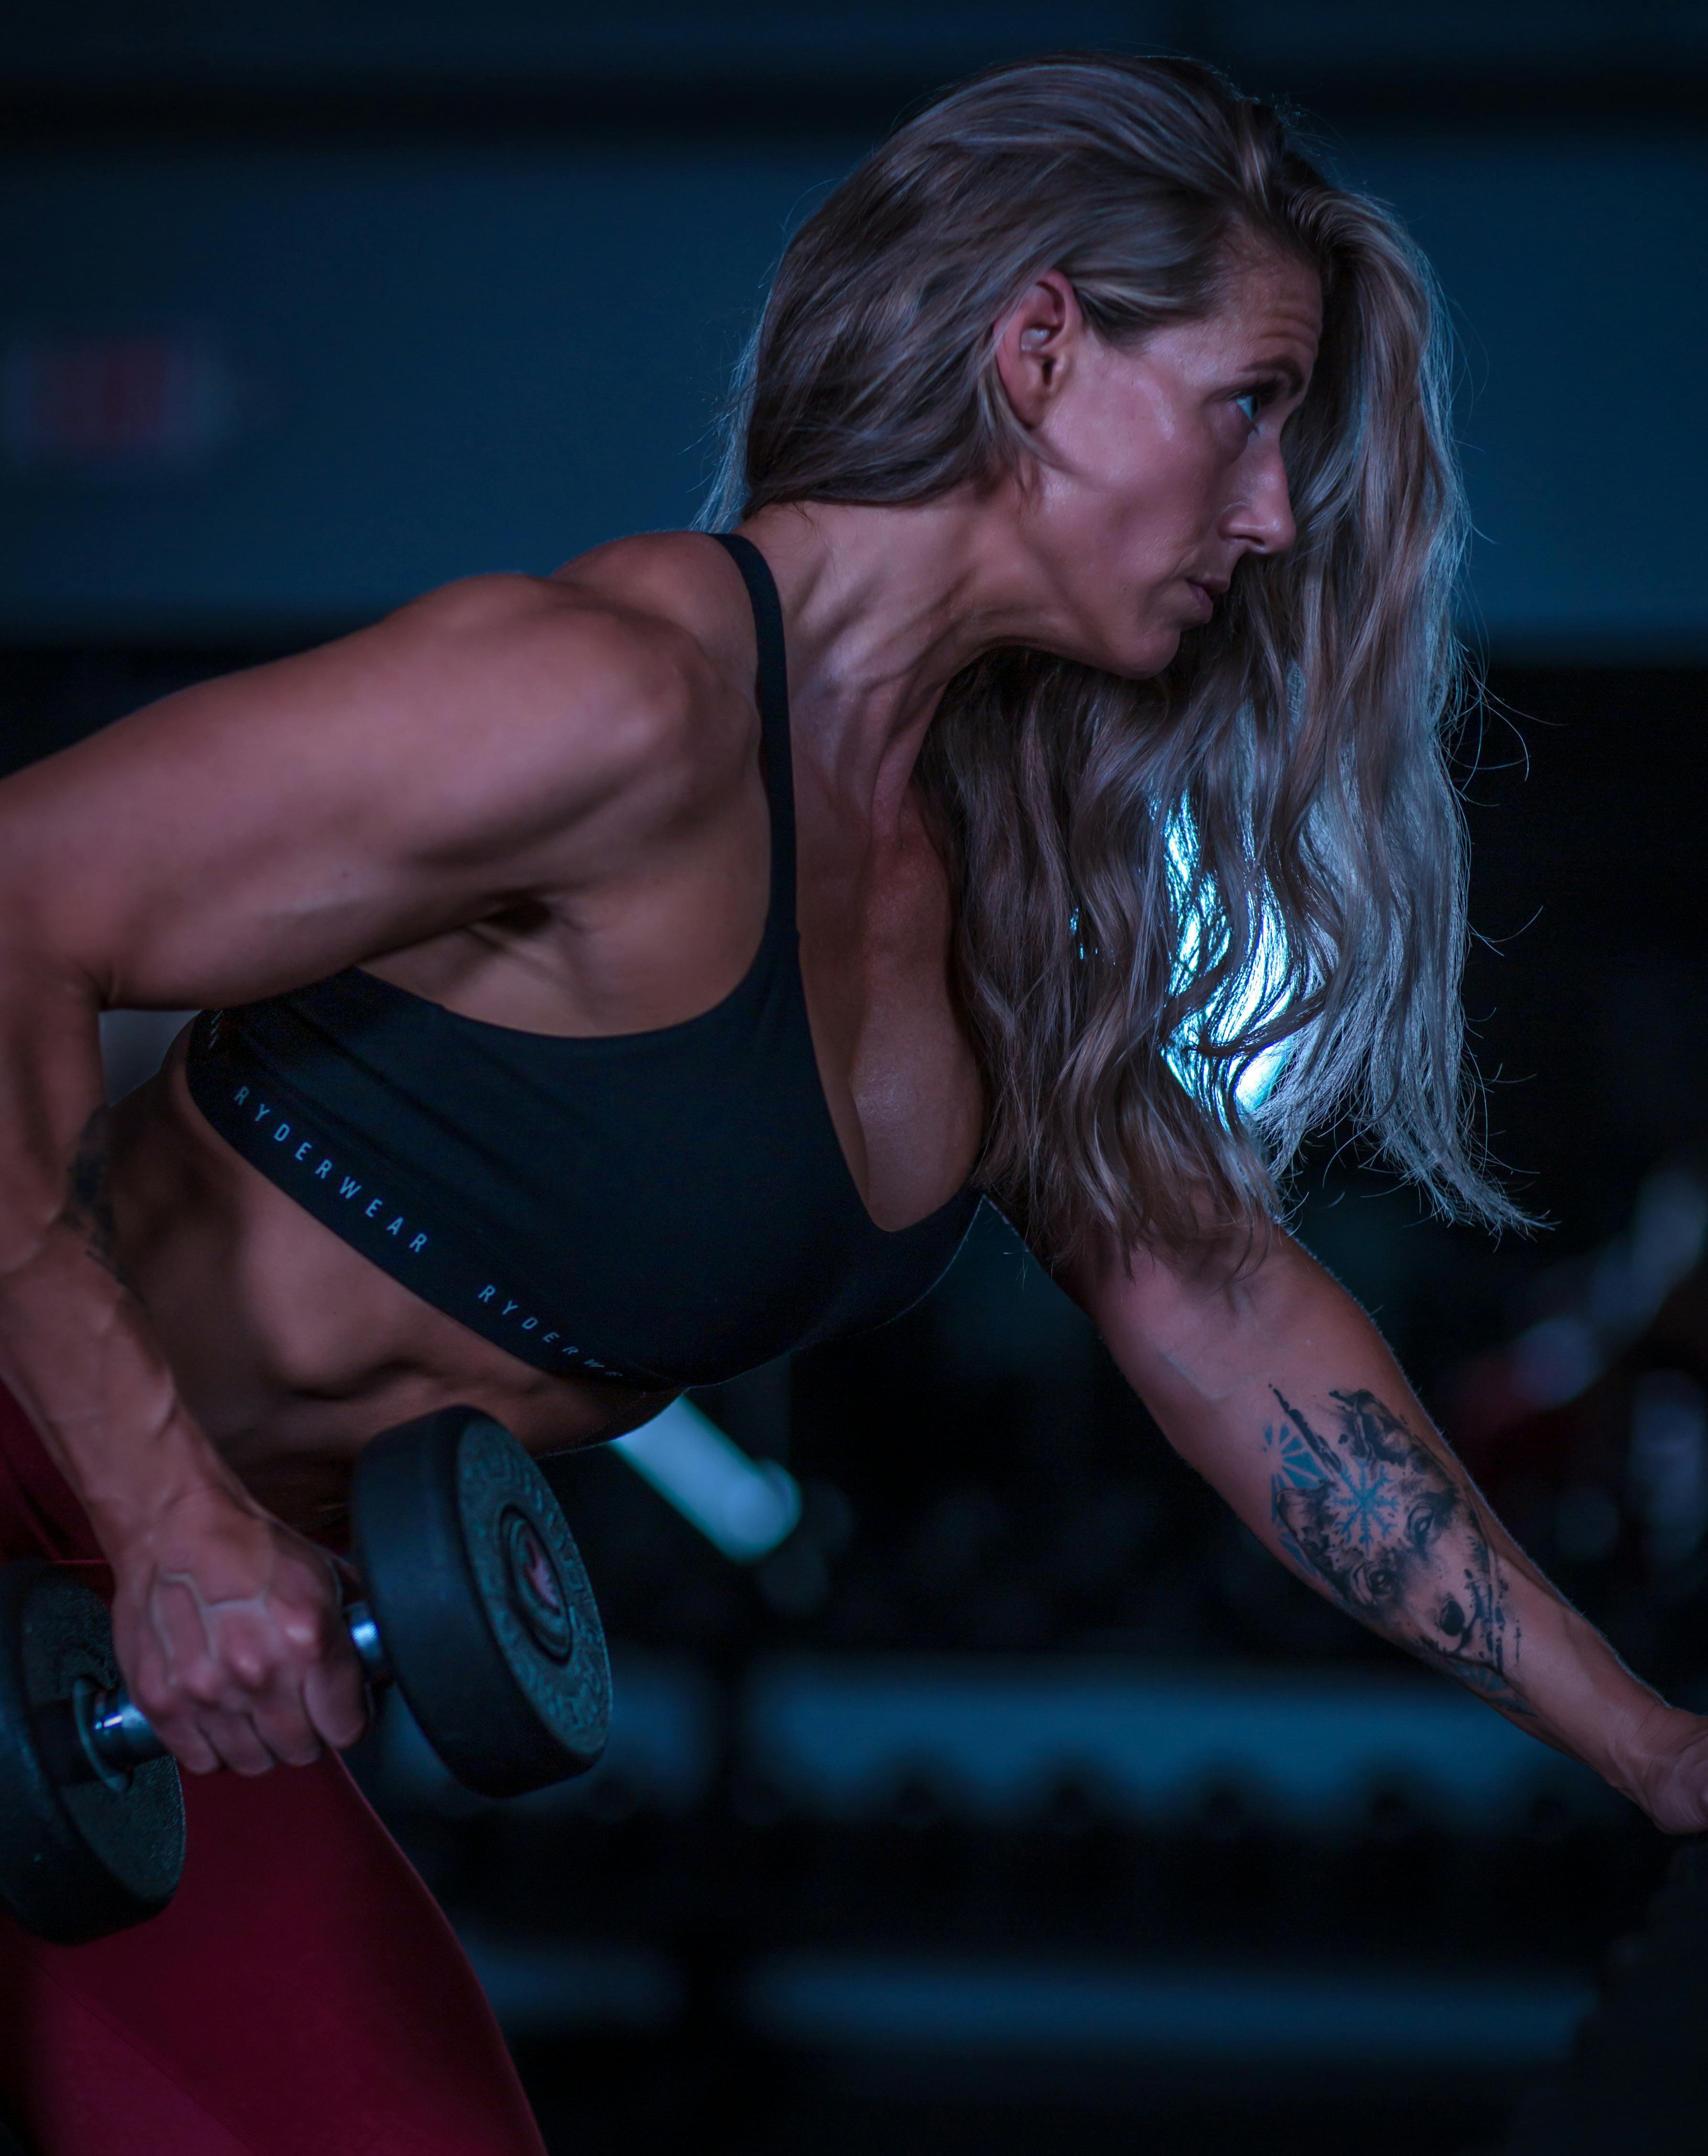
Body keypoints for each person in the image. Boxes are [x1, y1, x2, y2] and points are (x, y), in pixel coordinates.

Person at [0, 49, 1703, 2156]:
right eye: (1248, 405)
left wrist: (1647, 1743)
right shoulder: (617, 700)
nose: (1270, 517)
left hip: (142, 1664)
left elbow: (1230, 1324)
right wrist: (168, 1515)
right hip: (80, 1501)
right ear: (1041, 347)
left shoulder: (991, 898)